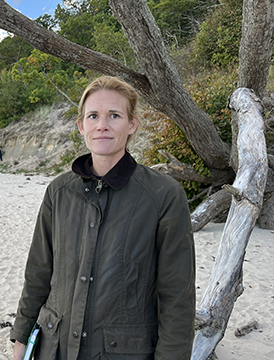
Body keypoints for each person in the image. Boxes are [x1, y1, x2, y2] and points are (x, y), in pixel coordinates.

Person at [10, 76, 195, 360]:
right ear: (81, 125)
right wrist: (21, 337)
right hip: (54, 348)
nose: (102, 125)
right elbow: (38, 272)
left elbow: (177, 297)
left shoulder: (163, 195)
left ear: (132, 124)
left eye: (114, 115)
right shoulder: (58, 192)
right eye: (93, 115)